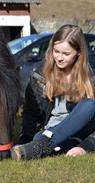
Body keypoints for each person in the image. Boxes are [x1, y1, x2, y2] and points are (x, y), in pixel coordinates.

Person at [11, 24, 95, 160]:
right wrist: (24, 141)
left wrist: (85, 147)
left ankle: (42, 147)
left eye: (66, 54)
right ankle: (42, 145)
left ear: (78, 54)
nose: (59, 58)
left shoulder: (90, 79)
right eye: (56, 51)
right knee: (40, 137)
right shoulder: (40, 75)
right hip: (47, 133)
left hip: (78, 135)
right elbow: (30, 114)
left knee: (90, 105)